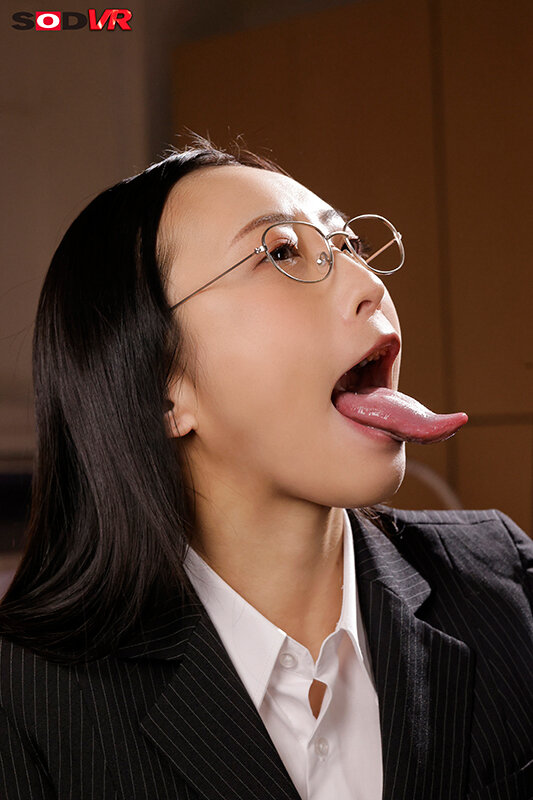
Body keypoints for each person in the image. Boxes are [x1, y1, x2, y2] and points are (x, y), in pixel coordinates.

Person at [0, 136, 531, 800]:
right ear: (162, 388)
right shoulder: (24, 700)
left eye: (349, 246)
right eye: (279, 253)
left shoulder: (506, 580)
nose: (370, 285)